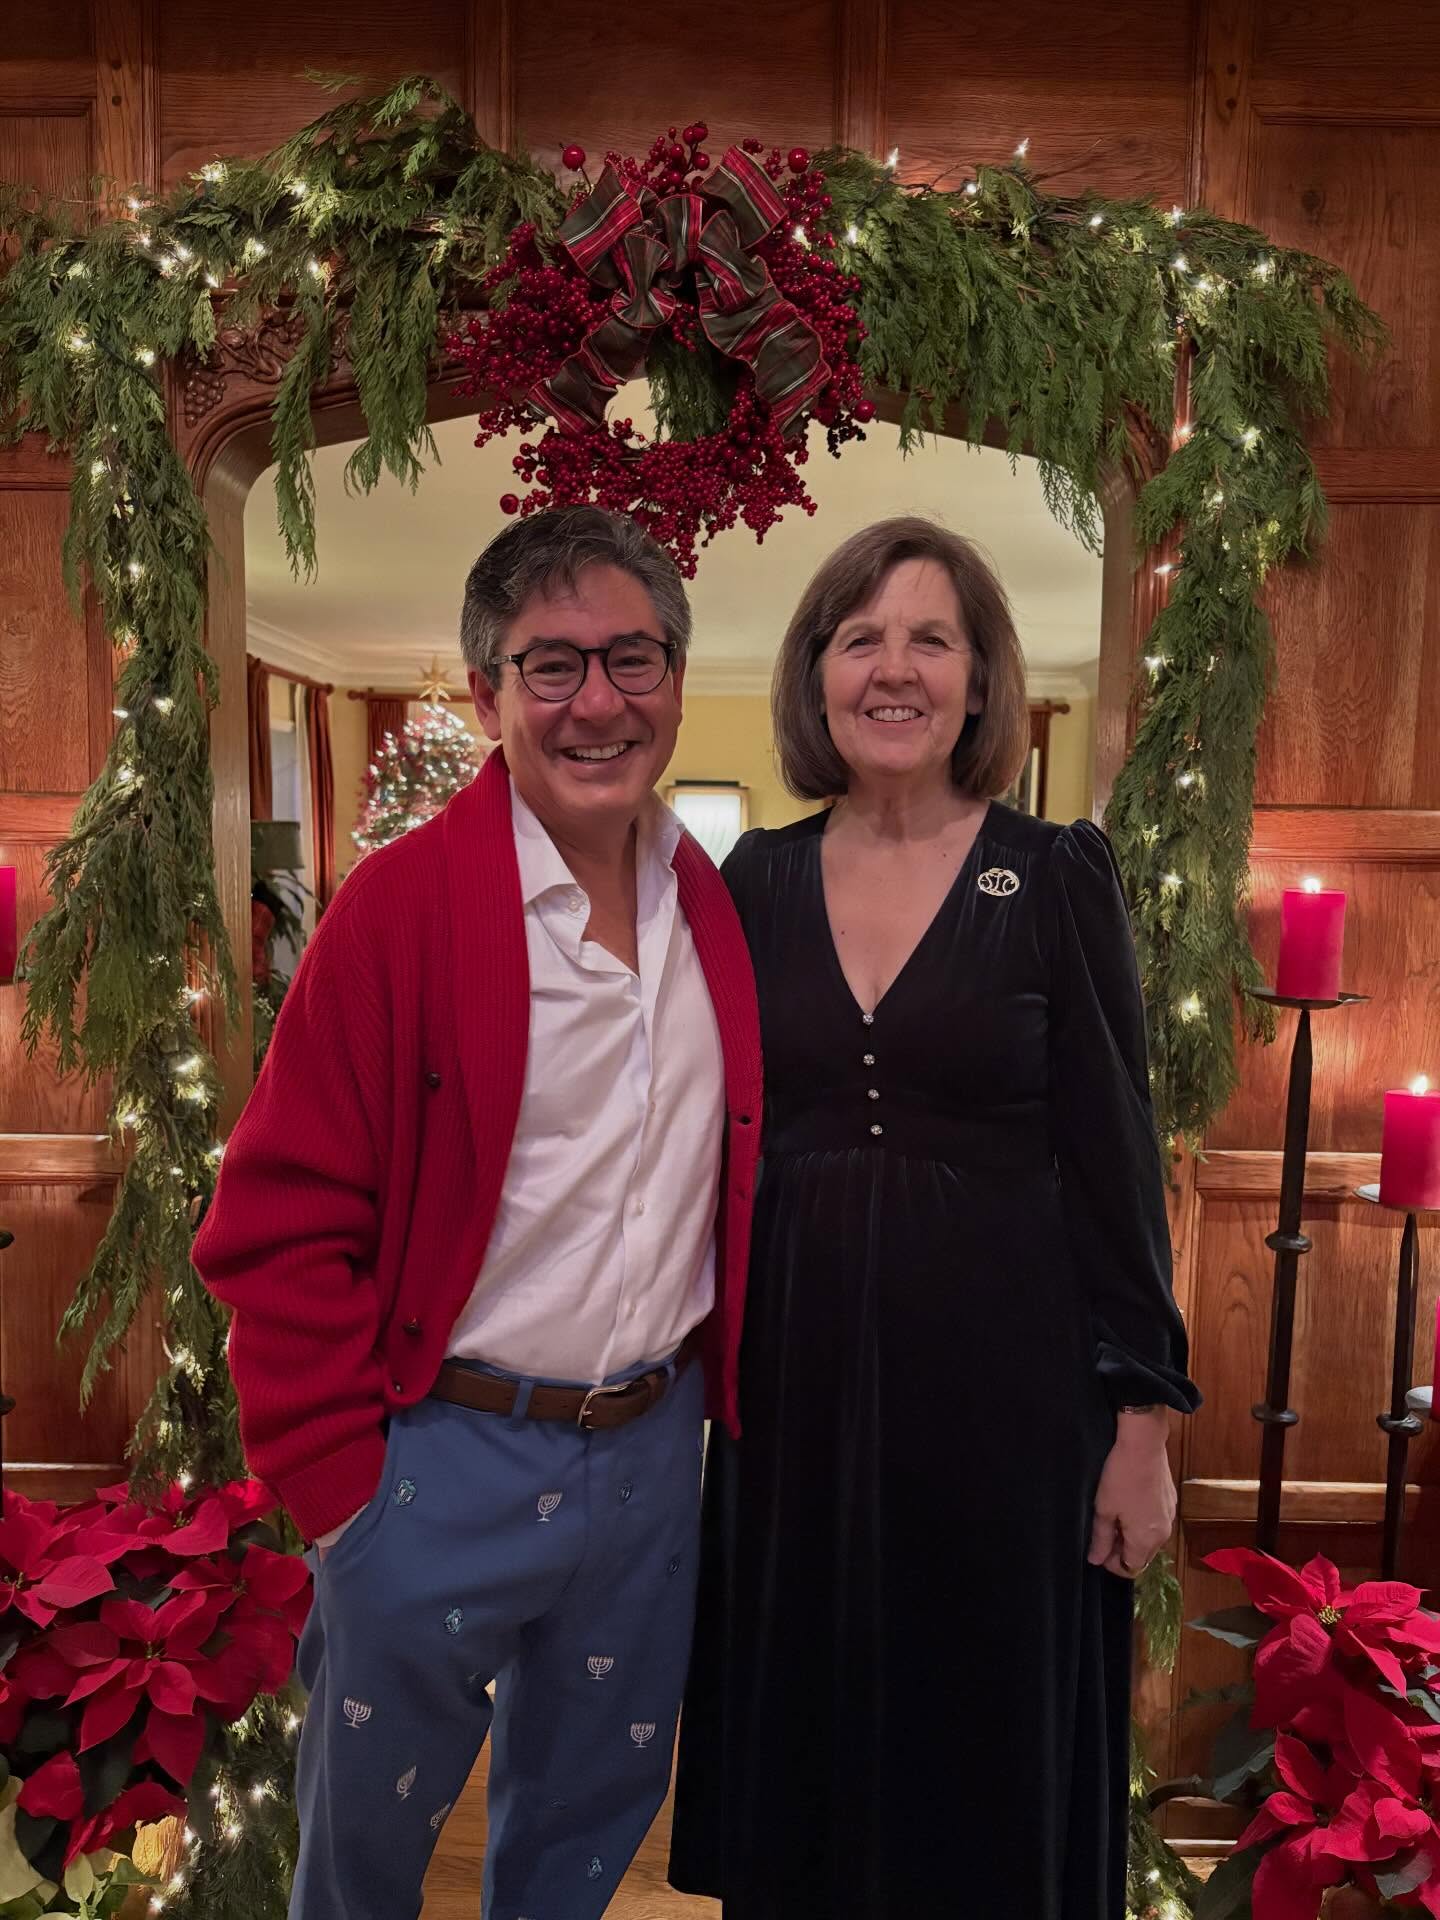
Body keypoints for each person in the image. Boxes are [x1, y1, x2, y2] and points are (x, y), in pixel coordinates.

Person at [194, 504, 763, 1920]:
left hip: (648, 1466)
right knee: (365, 1869)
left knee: (582, 1847)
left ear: (679, 681)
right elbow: (275, 1220)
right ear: (484, 694)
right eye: (550, 665)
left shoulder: (716, 908)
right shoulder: (398, 913)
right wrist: (342, 1498)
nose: (598, 702)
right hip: (434, 1463)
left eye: (633, 658)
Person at [669, 516, 1200, 1920]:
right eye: (861, 639)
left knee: (990, 1748)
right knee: (811, 1737)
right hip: (795, 1406)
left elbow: (1115, 1154)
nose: (893, 669)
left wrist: (1142, 1428)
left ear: (979, 683)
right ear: (816, 676)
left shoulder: (1056, 874)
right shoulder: (751, 884)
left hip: (1014, 1413)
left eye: (931, 639)